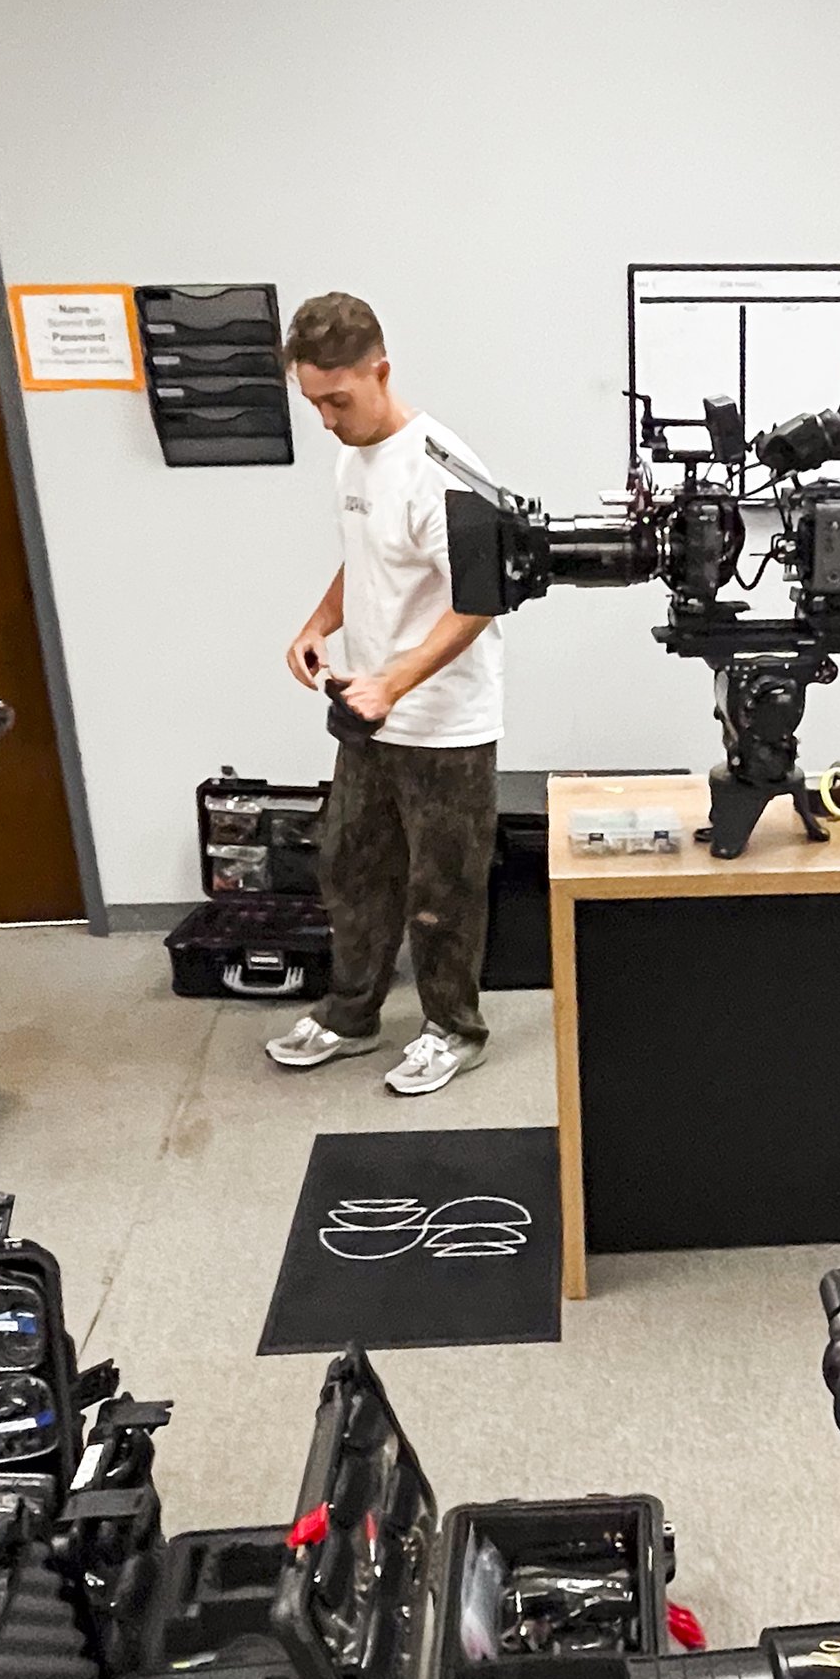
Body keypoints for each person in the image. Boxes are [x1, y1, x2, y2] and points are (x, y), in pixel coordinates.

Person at [268, 293, 504, 1096]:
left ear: (382, 371)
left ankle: (454, 1029)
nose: (329, 419)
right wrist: (317, 622)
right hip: (369, 714)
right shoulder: (351, 457)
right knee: (352, 867)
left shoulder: (443, 469)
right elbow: (363, 557)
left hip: (444, 723)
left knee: (444, 889)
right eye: (315, 404)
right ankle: (351, 1015)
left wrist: (393, 682)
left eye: (340, 399)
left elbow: (477, 602)